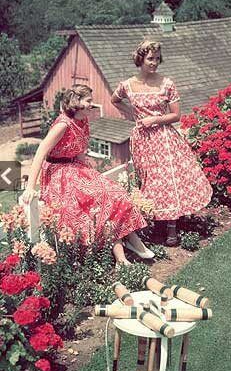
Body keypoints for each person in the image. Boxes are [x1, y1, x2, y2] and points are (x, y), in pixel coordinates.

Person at [21, 84, 154, 265]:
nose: (92, 104)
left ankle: (129, 243)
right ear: (77, 101)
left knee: (115, 192)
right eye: (89, 100)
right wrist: (30, 187)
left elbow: (80, 150)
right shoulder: (62, 124)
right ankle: (123, 252)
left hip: (75, 167)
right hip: (58, 173)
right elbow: (40, 152)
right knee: (95, 199)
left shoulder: (83, 120)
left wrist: (93, 174)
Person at [111, 40, 212, 246]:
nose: (154, 63)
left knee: (167, 180)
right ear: (140, 59)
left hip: (164, 138)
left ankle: (172, 229)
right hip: (141, 140)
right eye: (150, 58)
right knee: (150, 181)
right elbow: (115, 100)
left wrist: (154, 119)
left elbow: (176, 115)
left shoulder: (167, 84)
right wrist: (134, 114)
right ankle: (156, 224)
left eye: (157, 59)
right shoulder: (127, 85)